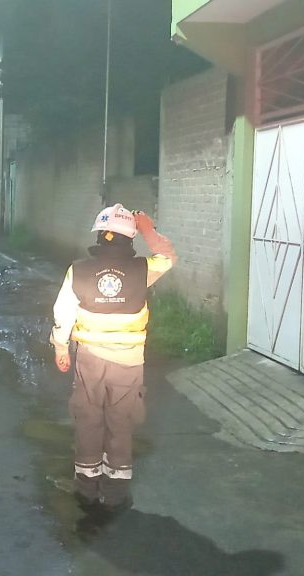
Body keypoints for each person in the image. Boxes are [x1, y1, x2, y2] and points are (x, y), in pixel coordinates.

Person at [50, 203, 176, 513]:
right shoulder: (142, 269)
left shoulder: (77, 269)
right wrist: (148, 228)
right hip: (128, 363)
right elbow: (169, 258)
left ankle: (86, 490)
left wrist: (60, 347)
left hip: (90, 360)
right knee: (120, 424)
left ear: (99, 233)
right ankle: (115, 494)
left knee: (88, 420)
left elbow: (63, 312)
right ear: (129, 238)